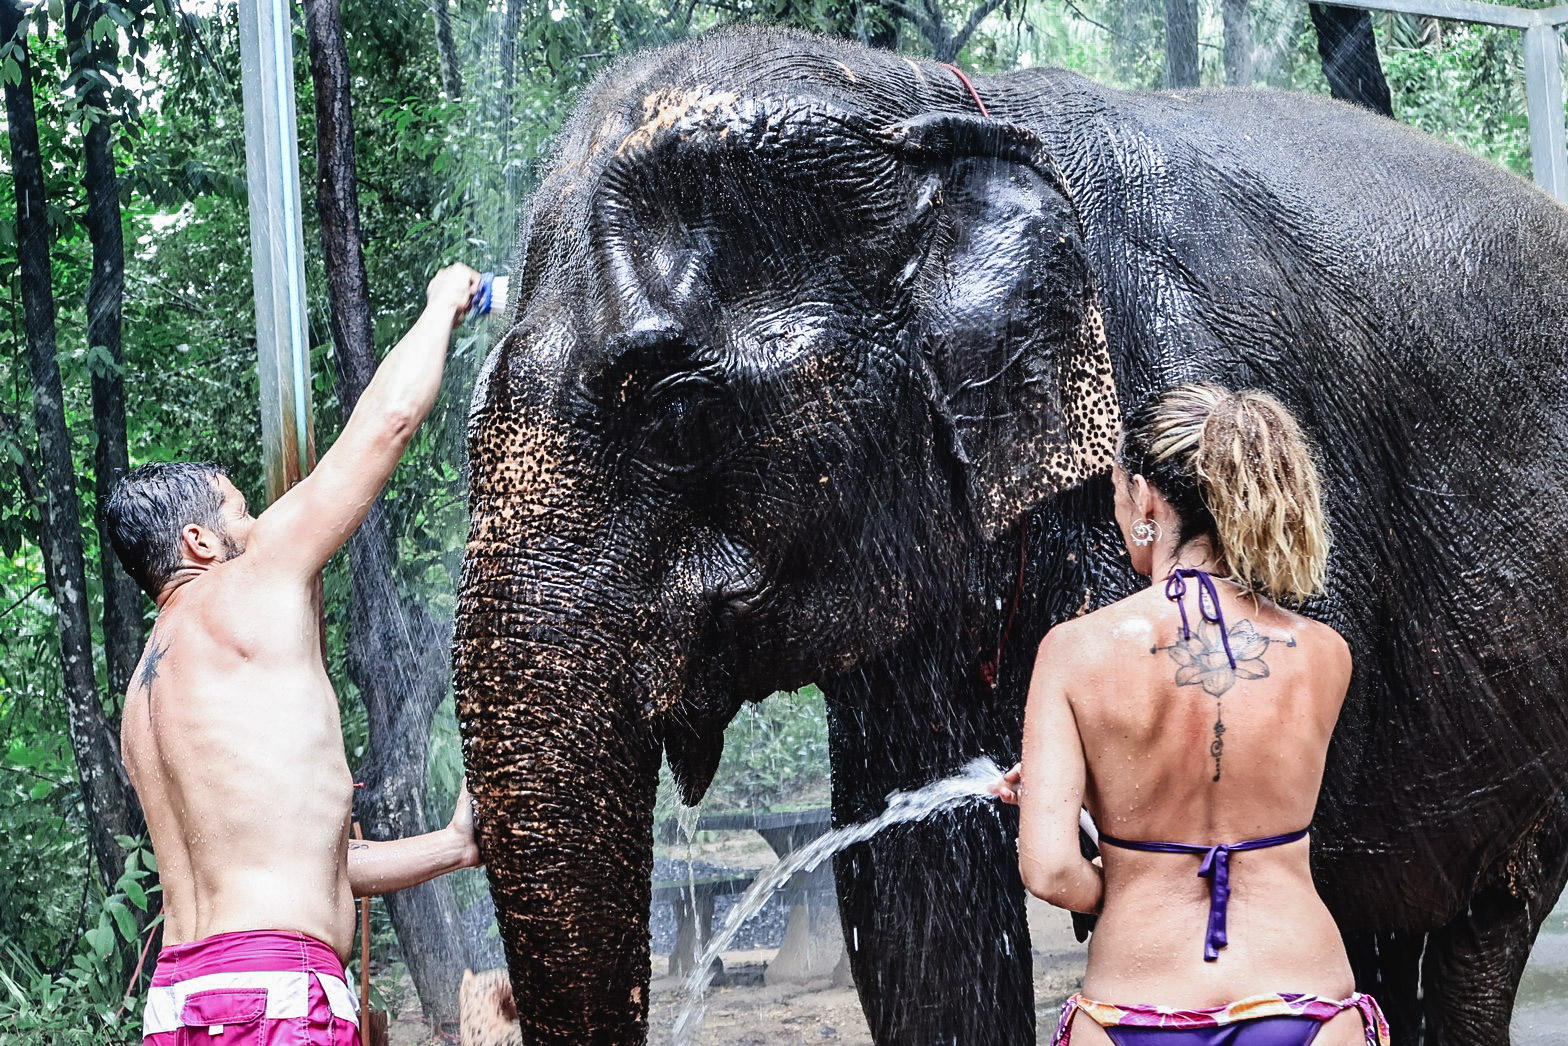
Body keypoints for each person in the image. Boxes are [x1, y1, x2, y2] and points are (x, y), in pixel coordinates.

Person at [106, 264, 487, 1046]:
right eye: (244, 512)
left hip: (180, 1002)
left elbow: (302, 868)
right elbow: (385, 426)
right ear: (199, 541)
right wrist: (442, 302)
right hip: (277, 995)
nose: (259, 525)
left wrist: (453, 848)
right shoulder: (246, 584)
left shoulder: (146, 698)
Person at [995, 383, 1389, 1046]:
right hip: (1305, 1004)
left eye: (1119, 493)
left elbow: (1051, 870)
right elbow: (1232, 780)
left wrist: (1128, 876)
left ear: (1146, 498)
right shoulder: (1325, 654)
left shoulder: (1074, 651)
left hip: (1131, 1009)